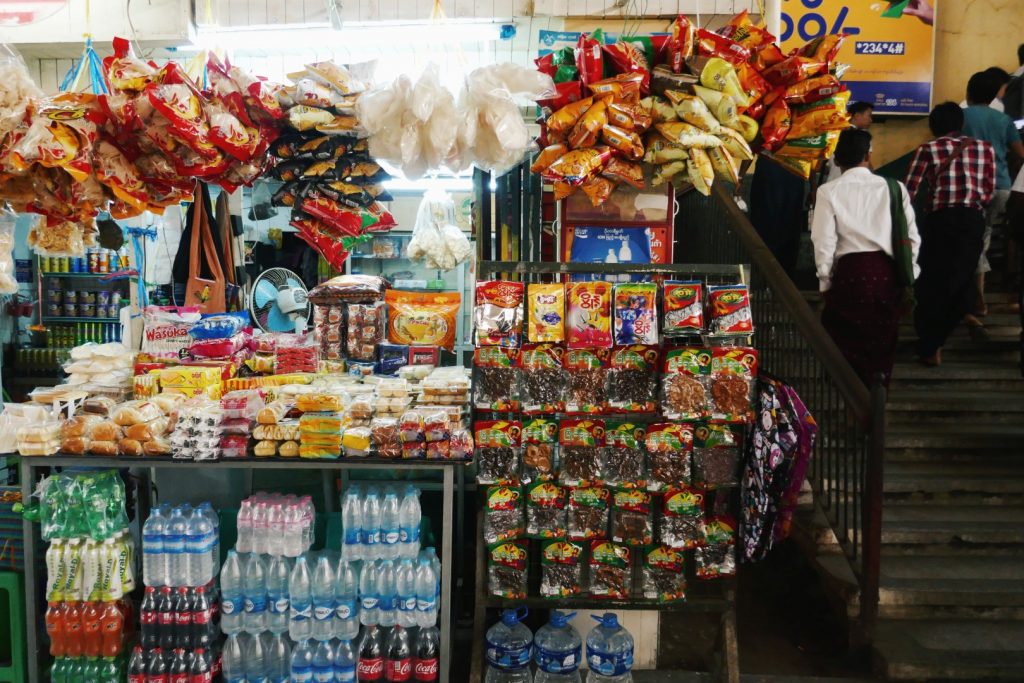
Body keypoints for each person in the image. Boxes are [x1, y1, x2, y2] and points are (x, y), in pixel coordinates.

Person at [811, 128, 920, 388]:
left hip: (850, 275)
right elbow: (911, 237)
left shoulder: (828, 191)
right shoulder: (895, 188)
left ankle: (851, 402)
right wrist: (908, 273)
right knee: (881, 343)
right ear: (868, 156)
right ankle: (876, 403)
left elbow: (823, 241)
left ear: (836, 160)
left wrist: (825, 281)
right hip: (885, 275)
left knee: (845, 342)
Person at [905, 102, 997, 366]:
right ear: (960, 124)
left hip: (940, 220)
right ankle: (957, 322)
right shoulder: (984, 148)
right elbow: (989, 190)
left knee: (932, 280)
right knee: (960, 276)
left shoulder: (928, 149)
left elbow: (909, 191)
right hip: (972, 220)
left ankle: (931, 345)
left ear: (933, 126)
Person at [963, 71, 1024, 317]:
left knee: (973, 240)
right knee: (982, 237)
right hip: (1000, 186)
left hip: (967, 187)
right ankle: (977, 297)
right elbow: (1020, 152)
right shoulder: (1003, 120)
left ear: (969, 92)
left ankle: (976, 299)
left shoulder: (961, 117)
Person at [749, 155, 806, 276]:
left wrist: (740, 175)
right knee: (787, 230)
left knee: (767, 229)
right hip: (793, 171)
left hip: (775, 170)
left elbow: (751, 147)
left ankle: (765, 280)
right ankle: (783, 282)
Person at [825, 102, 873, 183]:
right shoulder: (862, 138)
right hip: (856, 184)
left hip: (832, 183)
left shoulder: (831, 134)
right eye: (869, 115)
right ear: (857, 115)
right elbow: (868, 165)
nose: (871, 120)